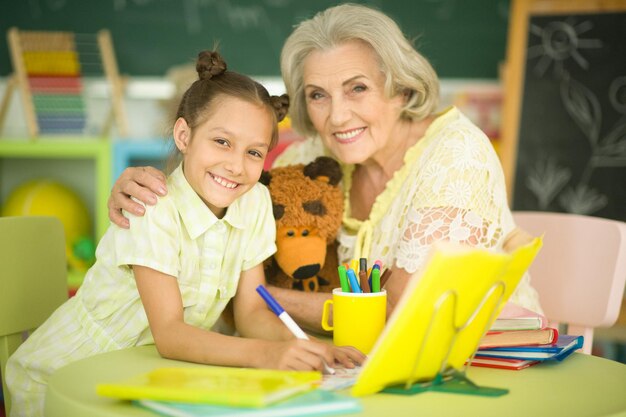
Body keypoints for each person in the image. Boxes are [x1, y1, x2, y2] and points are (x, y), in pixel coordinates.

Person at [108, 4, 543, 334]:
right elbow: (213, 211)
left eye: (357, 88)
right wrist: (152, 189)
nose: (337, 117)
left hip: (474, 360)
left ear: (402, 89)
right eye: (318, 95)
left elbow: (401, 315)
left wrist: (253, 298)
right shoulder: (309, 159)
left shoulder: (456, 154)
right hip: (341, 362)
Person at [6, 51, 364, 417]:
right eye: (222, 142)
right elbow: (170, 333)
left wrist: (304, 346)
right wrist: (265, 354)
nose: (236, 166)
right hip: (65, 381)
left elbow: (252, 311)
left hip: (147, 377)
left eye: (254, 152)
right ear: (183, 135)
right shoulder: (152, 205)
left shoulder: (254, 201)